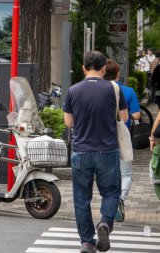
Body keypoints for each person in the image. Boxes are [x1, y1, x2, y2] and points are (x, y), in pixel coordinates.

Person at [63, 51, 128, 253]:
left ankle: (87, 242)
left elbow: (68, 122)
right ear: (103, 69)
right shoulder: (114, 89)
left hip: (81, 151)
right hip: (107, 150)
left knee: (82, 198)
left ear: (83, 68)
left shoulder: (73, 90)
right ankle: (105, 223)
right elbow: (124, 118)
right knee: (111, 192)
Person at [104, 59, 141, 223]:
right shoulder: (127, 91)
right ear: (118, 74)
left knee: (106, 174)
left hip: (103, 138)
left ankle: (109, 203)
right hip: (122, 137)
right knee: (125, 173)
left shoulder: (98, 90)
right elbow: (136, 115)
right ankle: (120, 198)